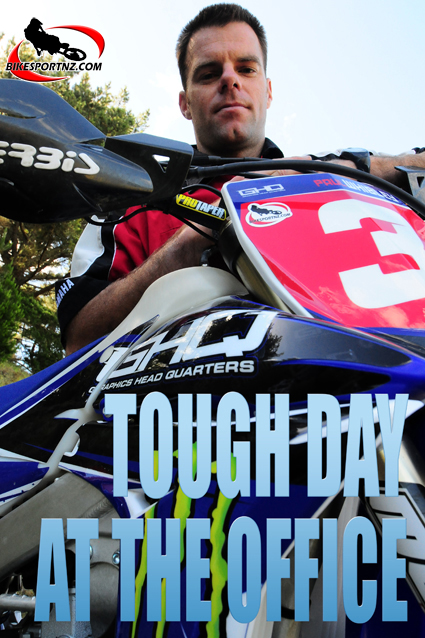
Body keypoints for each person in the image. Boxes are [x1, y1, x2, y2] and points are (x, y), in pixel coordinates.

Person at [56, 3, 425, 356]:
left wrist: (350, 167)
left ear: (268, 91)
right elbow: (78, 338)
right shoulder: (132, 197)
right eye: (208, 73)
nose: (230, 80)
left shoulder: (325, 180)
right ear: (185, 103)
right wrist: (191, 241)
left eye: (246, 69)